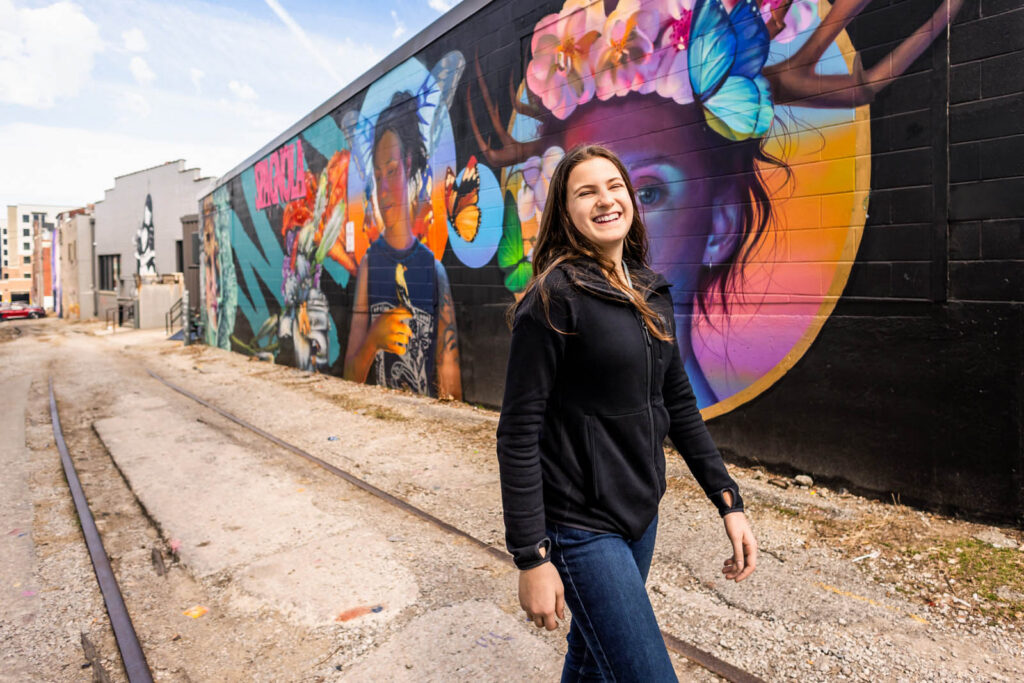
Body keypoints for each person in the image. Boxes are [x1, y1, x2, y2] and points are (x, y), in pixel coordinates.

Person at [496, 144, 757, 681]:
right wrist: (531, 557)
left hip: (641, 515)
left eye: (614, 186)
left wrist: (727, 499)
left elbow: (679, 405)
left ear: (630, 200)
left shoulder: (650, 292)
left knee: (591, 656)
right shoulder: (552, 300)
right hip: (580, 526)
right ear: (565, 213)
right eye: (585, 191)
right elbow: (518, 433)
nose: (605, 199)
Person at [344, 91, 462, 399]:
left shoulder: (433, 270)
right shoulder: (371, 262)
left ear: (409, 165)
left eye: (392, 172)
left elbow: (450, 370)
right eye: (378, 176)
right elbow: (348, 377)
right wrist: (373, 339)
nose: (383, 191)